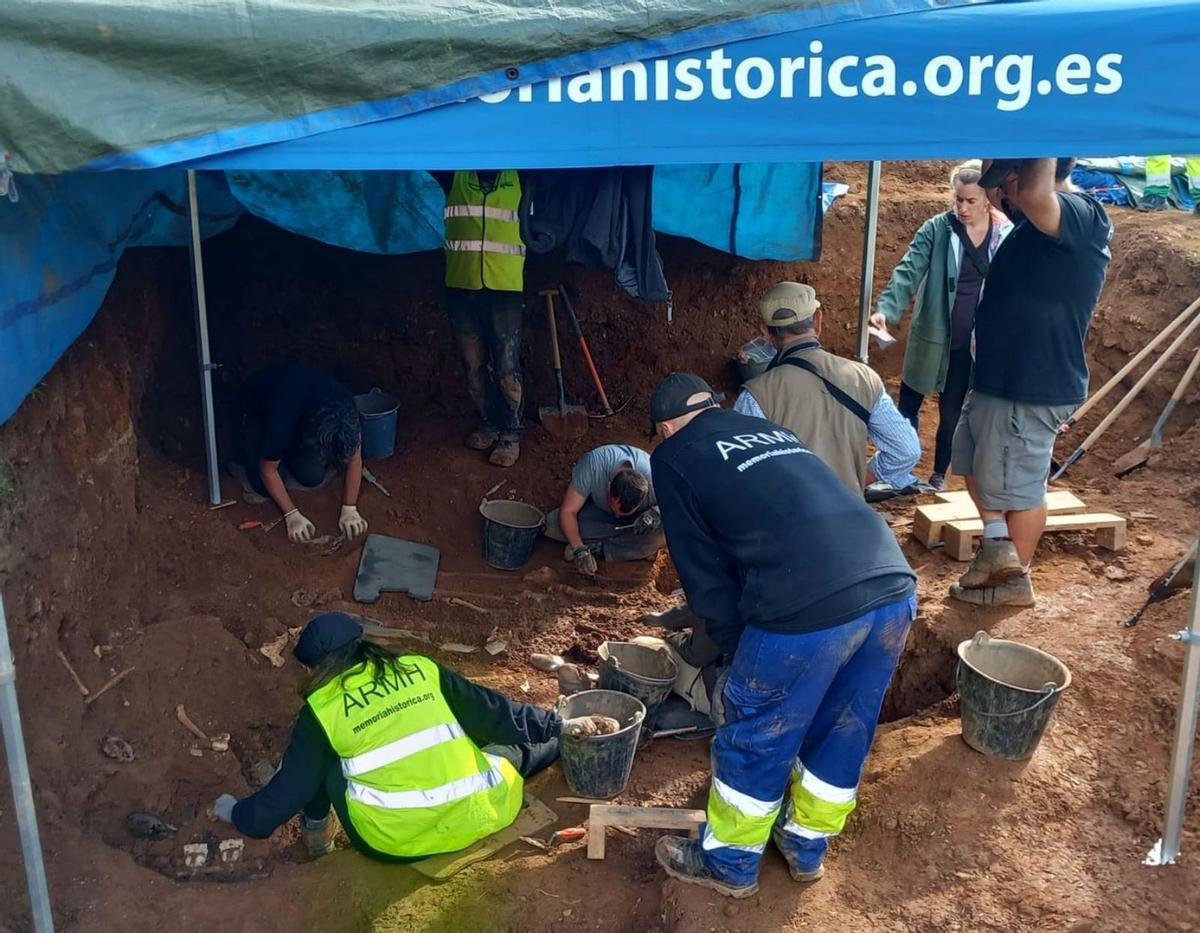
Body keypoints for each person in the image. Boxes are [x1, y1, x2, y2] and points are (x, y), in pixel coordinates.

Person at [648, 373, 917, 898]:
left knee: (758, 729)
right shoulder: (767, 430)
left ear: (665, 427)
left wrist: (731, 648)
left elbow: (703, 573)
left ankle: (729, 862)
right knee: (845, 723)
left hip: (805, 608)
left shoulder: (674, 455)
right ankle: (805, 846)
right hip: (891, 586)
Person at [211, 613, 613, 861]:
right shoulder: (420, 668)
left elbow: (288, 792)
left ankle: (318, 839)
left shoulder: (322, 713)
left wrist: (239, 815)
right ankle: (568, 737)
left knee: (322, 764)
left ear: (315, 667)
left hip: (396, 842)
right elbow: (494, 714)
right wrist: (556, 724)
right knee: (508, 751)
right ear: (360, 642)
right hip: (482, 811)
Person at [949, 158, 1112, 607]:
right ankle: (997, 548)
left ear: (1031, 173)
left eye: (1007, 180)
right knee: (970, 460)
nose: (1001, 193)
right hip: (1000, 378)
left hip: (1030, 383)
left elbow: (1040, 192)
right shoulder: (1034, 227)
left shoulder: (1080, 215)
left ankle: (1012, 581)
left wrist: (1038, 124)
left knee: (1019, 488)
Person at [870, 162, 1013, 490]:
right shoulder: (937, 229)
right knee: (909, 404)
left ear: (988, 200)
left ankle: (938, 475)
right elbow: (909, 269)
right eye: (958, 200)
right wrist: (887, 310)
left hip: (969, 343)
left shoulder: (1003, 235)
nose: (962, 208)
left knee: (951, 411)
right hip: (931, 335)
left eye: (970, 201)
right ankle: (896, 471)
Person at [734, 282, 921, 495]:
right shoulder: (865, 378)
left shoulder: (755, 395)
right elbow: (906, 451)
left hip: (788, 522)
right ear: (817, 320)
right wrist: (857, 479)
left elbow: (743, 472)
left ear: (766, 333)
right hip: (852, 518)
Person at [441, 169, 527, 467]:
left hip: (504, 289)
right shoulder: (454, 173)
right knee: (473, 365)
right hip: (462, 287)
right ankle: (488, 423)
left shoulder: (521, 176)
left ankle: (511, 434)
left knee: (506, 367)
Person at [235, 363, 368, 544]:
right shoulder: (280, 420)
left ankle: (284, 455)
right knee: (262, 485)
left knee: (312, 476)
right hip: (258, 412)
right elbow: (268, 471)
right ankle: (251, 449)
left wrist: (350, 508)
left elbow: (355, 458)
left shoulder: (345, 408)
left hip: (306, 413)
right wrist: (292, 514)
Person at [543, 443, 665, 575]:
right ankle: (632, 547)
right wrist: (579, 550)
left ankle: (602, 549)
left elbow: (682, 503)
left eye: (622, 513)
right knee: (552, 524)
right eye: (614, 509)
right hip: (601, 515)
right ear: (608, 487)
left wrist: (656, 513)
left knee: (664, 533)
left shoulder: (655, 476)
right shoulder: (592, 466)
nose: (618, 516)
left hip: (641, 521)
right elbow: (568, 511)